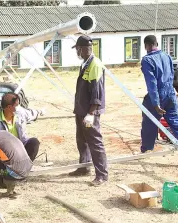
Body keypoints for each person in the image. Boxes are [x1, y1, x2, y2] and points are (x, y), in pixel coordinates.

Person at [69, 35, 108, 186]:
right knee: (82, 141)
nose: (77, 52)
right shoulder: (85, 63)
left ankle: (102, 175)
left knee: (94, 142)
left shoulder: (95, 65)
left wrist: (91, 113)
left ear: (82, 49)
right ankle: (84, 167)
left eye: (77, 49)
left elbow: (97, 92)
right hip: (80, 110)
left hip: (89, 111)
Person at [140, 35, 178, 153]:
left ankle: (147, 148)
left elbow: (152, 83)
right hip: (170, 94)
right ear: (156, 44)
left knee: (149, 121)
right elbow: (171, 76)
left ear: (146, 45)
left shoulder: (147, 60)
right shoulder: (167, 56)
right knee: (176, 122)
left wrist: (155, 103)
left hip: (158, 96)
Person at [0, 92, 42, 161]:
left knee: (34, 142)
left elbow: (30, 114)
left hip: (22, 147)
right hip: (7, 153)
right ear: (9, 107)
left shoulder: (20, 113)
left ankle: (26, 166)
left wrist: (41, 112)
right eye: (17, 105)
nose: (19, 107)